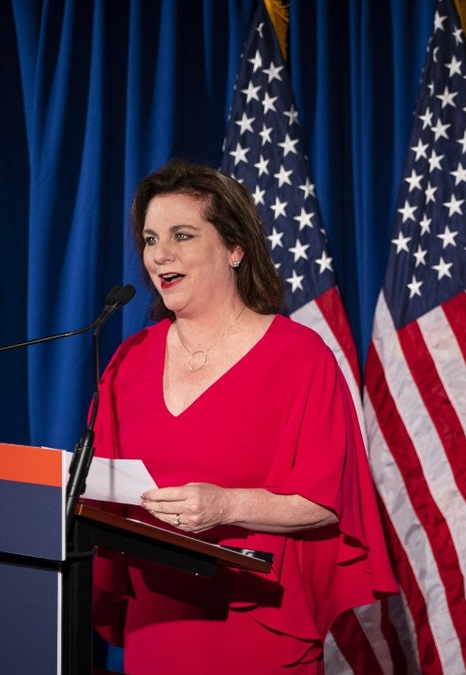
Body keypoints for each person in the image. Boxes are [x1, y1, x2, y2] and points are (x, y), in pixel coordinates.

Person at [88, 159, 396, 673]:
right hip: (157, 622)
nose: (159, 254)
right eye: (149, 239)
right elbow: (102, 492)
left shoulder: (301, 357)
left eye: (181, 235)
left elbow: (328, 501)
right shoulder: (128, 361)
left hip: (258, 619)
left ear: (235, 248)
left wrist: (225, 504)